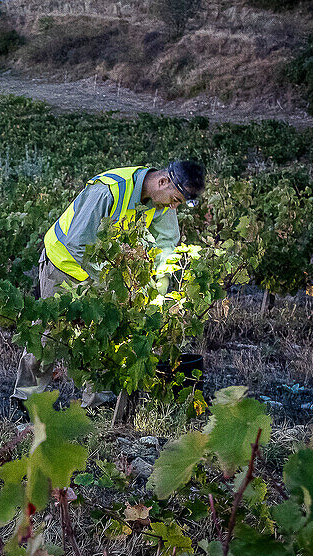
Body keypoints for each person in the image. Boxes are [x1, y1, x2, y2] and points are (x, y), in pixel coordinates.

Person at [11, 160, 206, 408]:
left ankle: (97, 403)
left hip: (103, 273)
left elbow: (167, 245)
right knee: (49, 336)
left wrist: (156, 291)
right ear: (163, 182)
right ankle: (25, 399)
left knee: (105, 334)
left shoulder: (160, 202)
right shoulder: (108, 191)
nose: (174, 206)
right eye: (176, 199)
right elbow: (77, 244)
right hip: (63, 266)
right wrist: (112, 283)